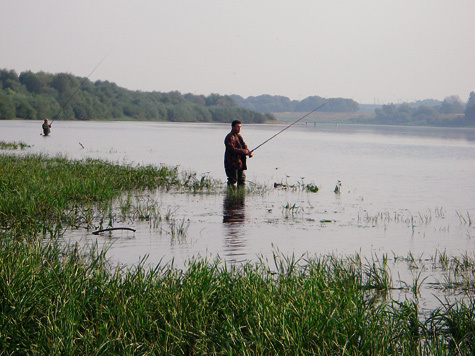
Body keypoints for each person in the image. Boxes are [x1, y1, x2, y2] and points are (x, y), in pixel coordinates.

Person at [224, 120, 251, 188]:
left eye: (240, 127)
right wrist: (243, 151)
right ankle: (230, 197)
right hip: (231, 164)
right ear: (233, 127)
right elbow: (231, 149)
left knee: (242, 180)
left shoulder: (239, 136)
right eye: (237, 127)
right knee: (232, 180)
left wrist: (248, 151)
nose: (239, 128)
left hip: (239, 163)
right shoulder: (229, 137)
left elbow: (244, 146)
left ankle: (240, 197)